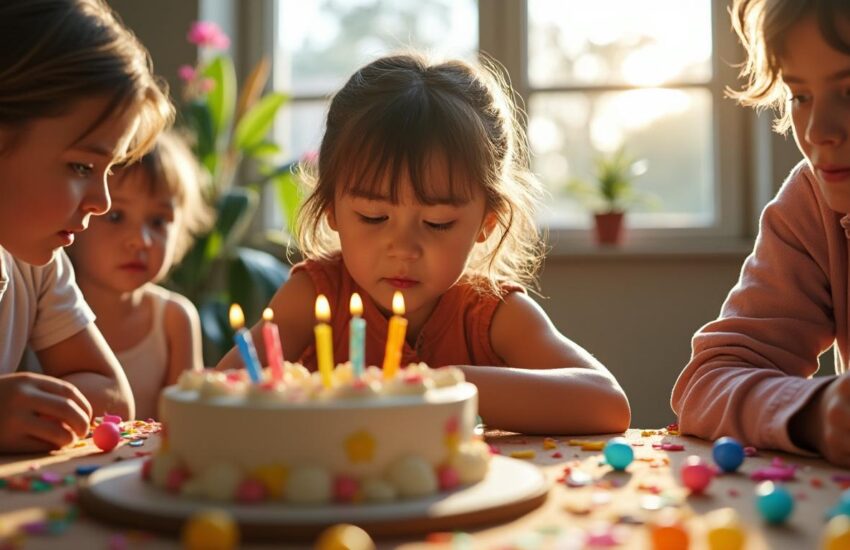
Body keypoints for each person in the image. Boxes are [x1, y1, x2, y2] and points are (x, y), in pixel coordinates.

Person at [217, 53, 630, 435]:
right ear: (331, 210)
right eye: (374, 217)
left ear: (486, 222)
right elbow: (217, 394)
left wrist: (442, 385)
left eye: (437, 223)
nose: (404, 248)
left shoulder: (488, 313)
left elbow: (607, 404)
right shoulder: (316, 295)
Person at [672, 0, 850, 466]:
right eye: (801, 96)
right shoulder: (814, 201)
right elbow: (708, 382)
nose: (817, 132)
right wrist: (814, 411)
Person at [0, 0, 173, 452]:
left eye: (107, 169)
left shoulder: (37, 264)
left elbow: (113, 397)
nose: (102, 201)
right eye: (81, 167)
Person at [67, 132, 210, 420]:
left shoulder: (173, 319)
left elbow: (189, 423)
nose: (140, 240)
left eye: (158, 221)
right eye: (116, 216)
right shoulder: (38, 309)